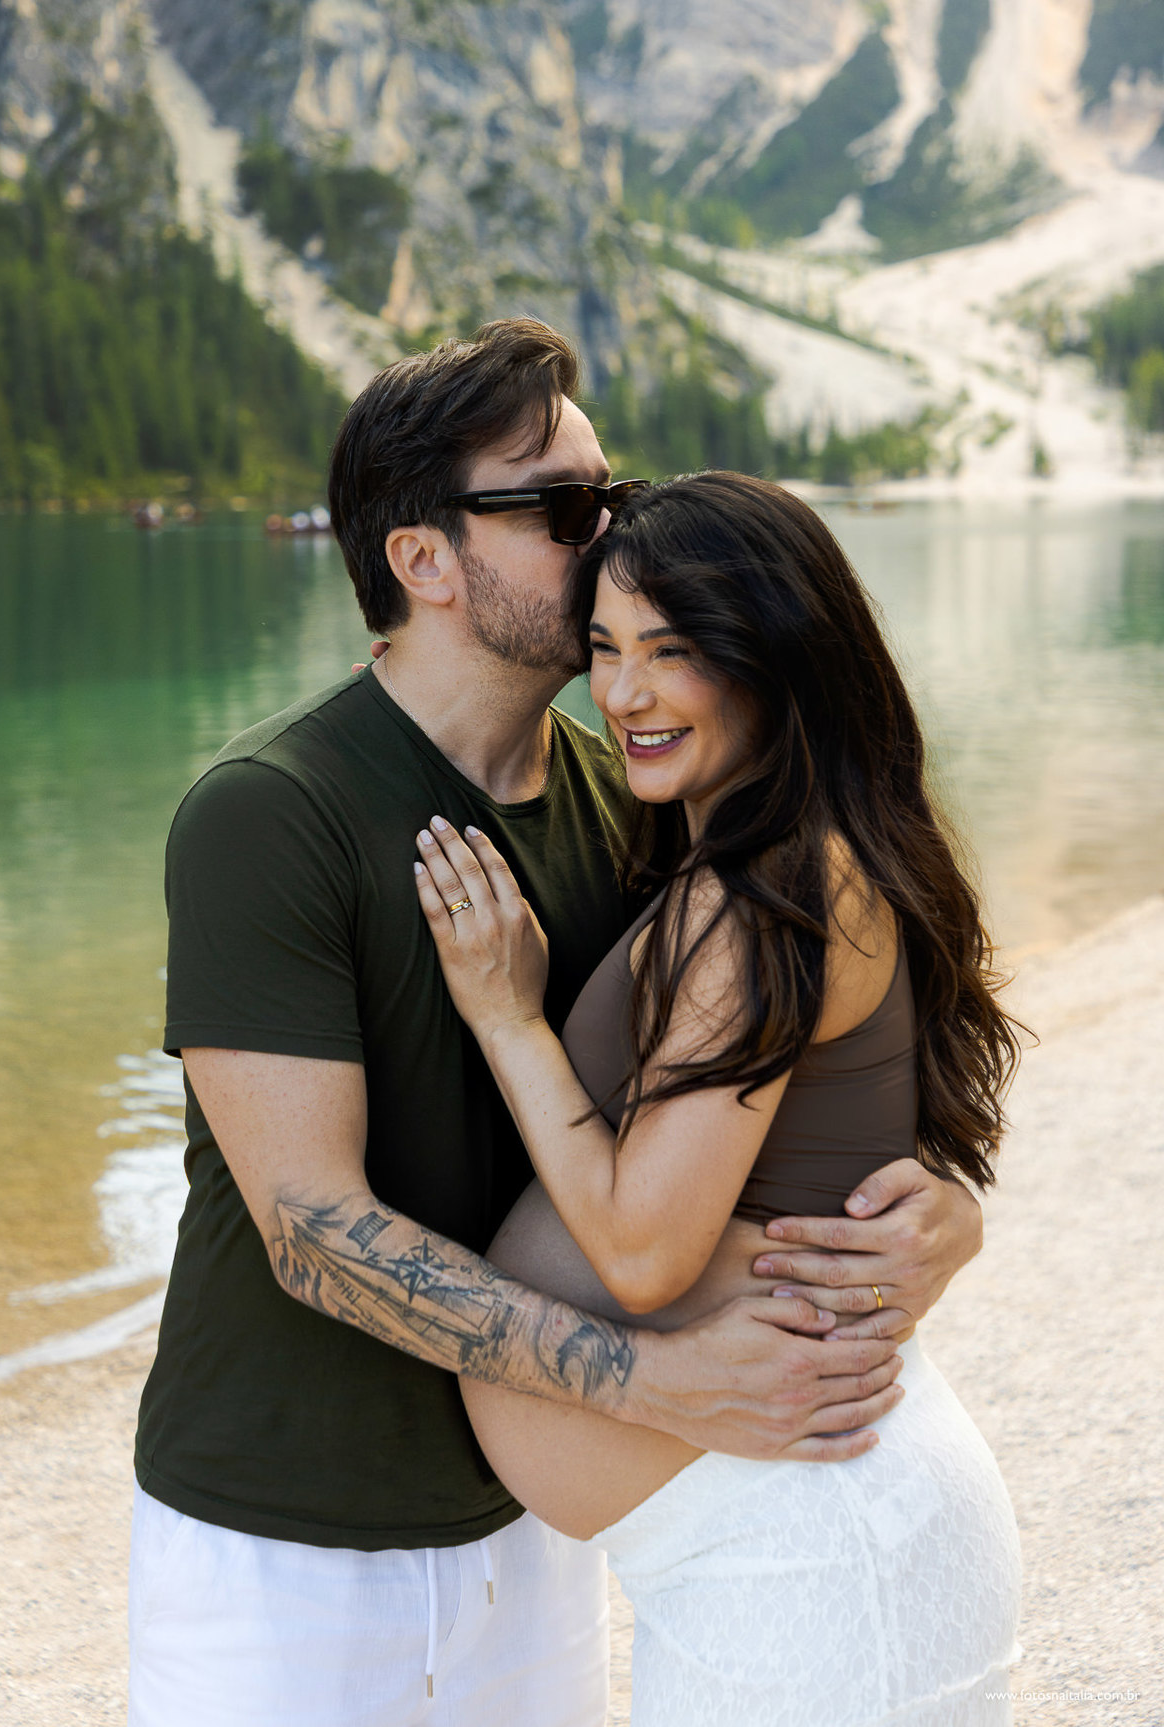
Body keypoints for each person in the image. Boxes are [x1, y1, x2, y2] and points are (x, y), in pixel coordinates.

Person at [130, 322, 987, 1727]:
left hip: (541, 1539)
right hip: (285, 1539)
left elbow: (754, 1075)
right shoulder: (270, 810)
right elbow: (309, 1227)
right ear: (424, 558)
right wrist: (654, 1377)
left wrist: (934, 1207)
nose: (614, 538)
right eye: (567, 508)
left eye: (618, 496)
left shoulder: (638, 799)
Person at [412, 471, 1023, 1725]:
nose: (624, 693)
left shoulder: (762, 894)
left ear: (774, 656)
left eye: (673, 651)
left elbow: (641, 1252)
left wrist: (505, 1016)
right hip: (803, 1535)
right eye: (603, 649)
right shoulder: (782, 858)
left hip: (811, 1553)